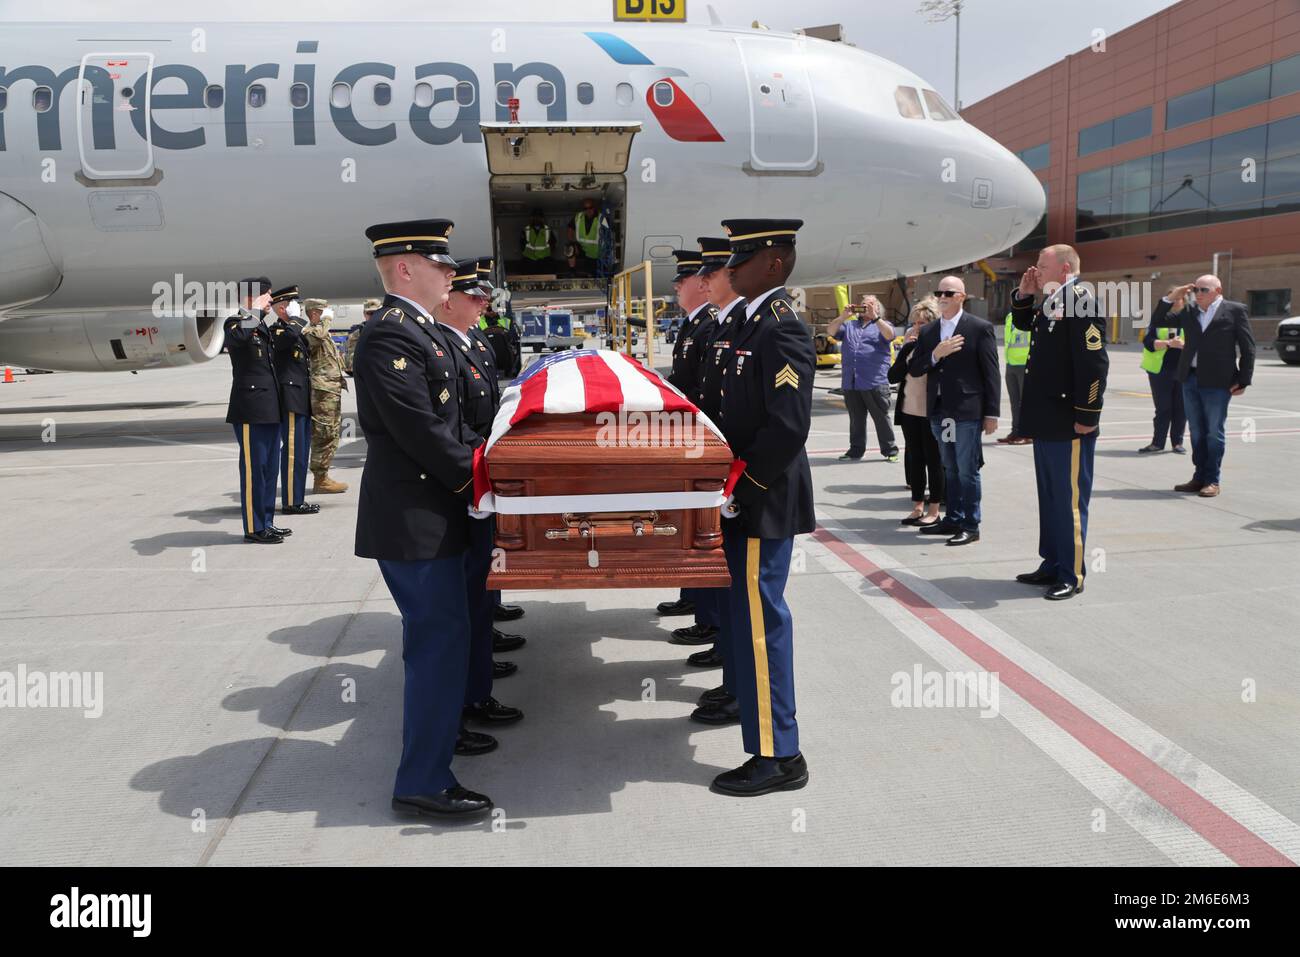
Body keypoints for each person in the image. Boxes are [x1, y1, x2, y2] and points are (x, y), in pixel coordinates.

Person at [352, 217, 492, 820]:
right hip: (415, 518)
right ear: (405, 268)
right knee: (436, 644)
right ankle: (423, 780)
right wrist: (480, 477)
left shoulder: (423, 332)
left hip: (439, 511)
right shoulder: (389, 335)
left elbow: (453, 423)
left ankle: (442, 740)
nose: (451, 274)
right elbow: (419, 431)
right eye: (441, 265)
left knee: (447, 637)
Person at [709, 217, 814, 797]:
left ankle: (780, 755)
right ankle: (768, 743)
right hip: (743, 501)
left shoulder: (781, 330)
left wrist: (739, 492)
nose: (729, 269)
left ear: (772, 264)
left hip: (762, 504)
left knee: (761, 627)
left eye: (740, 259)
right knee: (749, 623)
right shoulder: (751, 325)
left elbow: (786, 429)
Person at [431, 259, 525, 748]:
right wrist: (484, 467)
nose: (484, 303)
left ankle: (478, 682)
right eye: (474, 296)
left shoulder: (475, 342)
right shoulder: (442, 344)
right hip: (468, 485)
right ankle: (470, 697)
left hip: (481, 480)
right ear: (449, 300)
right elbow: (449, 427)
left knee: (480, 590)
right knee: (467, 599)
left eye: (485, 296)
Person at [1010, 244, 1107, 601]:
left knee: (1068, 500)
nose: (1036, 270)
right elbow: (1023, 325)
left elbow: (1094, 363)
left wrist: (1087, 416)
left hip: (1069, 420)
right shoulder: (1054, 298)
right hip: (1047, 418)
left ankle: (1072, 572)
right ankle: (1052, 562)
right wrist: (1024, 294)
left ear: (1065, 267)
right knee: (1050, 496)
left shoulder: (1081, 298)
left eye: (1041, 265)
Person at [685, 234, 749, 718]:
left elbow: (782, 428)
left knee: (747, 604)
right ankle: (732, 675)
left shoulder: (760, 328)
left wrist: (739, 485)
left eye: (710, 273)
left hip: (740, 485)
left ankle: (740, 688)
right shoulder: (723, 327)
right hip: (714, 470)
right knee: (728, 590)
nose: (704, 282)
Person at [906, 276, 1000, 546]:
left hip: (967, 411)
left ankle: (971, 524)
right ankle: (953, 518)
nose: (943, 296)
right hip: (939, 412)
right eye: (939, 292)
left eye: (949, 292)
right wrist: (937, 353)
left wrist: (991, 413)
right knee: (950, 468)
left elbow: (990, 372)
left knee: (967, 470)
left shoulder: (979, 328)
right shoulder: (929, 331)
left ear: (962, 296)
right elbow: (915, 369)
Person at [664, 248, 721, 648]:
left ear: (701, 285)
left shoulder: (708, 327)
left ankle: (710, 619)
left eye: (681, 280)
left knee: (704, 532)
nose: (676, 286)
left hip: (701, 440)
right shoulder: (692, 326)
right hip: (689, 439)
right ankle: (696, 600)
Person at [1162, 276, 1255, 498]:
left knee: (1214, 432)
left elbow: (1248, 347)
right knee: (1196, 432)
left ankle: (1212, 480)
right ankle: (1199, 477)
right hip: (1190, 379)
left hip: (1218, 382)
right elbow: (1160, 319)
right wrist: (1174, 296)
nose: (1198, 293)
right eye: (1195, 290)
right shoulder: (1189, 311)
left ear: (1218, 290)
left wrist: (1243, 380)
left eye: (1203, 289)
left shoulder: (1234, 310)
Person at [224, 277, 290, 543]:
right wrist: (253, 311)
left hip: (270, 407)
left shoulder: (261, 325)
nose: (271, 300)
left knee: (269, 469)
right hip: (250, 408)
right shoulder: (235, 322)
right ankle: (253, 527)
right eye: (266, 295)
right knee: (254, 469)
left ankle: (267, 521)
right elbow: (237, 339)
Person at [888, 298, 945, 527]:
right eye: (916, 322)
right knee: (915, 459)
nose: (918, 326)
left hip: (932, 412)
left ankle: (934, 509)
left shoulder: (940, 347)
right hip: (910, 410)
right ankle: (917, 506)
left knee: (935, 460)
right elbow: (893, 377)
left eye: (923, 323)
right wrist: (906, 350)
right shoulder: (910, 346)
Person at [828, 294, 900, 462]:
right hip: (851, 381)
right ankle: (856, 450)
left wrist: (875, 318)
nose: (864, 307)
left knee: (881, 417)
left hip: (874, 381)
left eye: (869, 304)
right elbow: (831, 331)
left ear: (877, 308)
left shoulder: (883, 325)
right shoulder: (849, 325)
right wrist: (843, 316)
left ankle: (890, 450)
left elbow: (890, 336)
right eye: (862, 304)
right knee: (856, 419)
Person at [267, 286, 314, 519]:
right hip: (290, 397)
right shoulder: (277, 331)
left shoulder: (293, 330)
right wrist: (295, 320)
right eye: (294, 305)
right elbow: (285, 343)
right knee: (294, 451)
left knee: (302, 450)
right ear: (283, 308)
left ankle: (298, 498)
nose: (299, 309)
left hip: (301, 396)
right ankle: (291, 502)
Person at [300, 298, 350, 496]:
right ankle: (320, 479)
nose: (328, 314)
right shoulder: (310, 332)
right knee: (324, 433)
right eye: (323, 311)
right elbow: (317, 337)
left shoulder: (322, 333)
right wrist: (325, 320)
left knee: (332, 433)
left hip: (331, 390)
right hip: (322, 392)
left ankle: (324, 476)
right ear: (314, 314)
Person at [1137, 287, 1188, 455]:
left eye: (1178, 299)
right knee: (1163, 408)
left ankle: (1177, 443)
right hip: (1160, 370)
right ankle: (1157, 442)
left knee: (1181, 408)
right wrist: (1167, 343)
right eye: (1171, 298)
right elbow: (1148, 342)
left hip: (1183, 370)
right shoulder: (1158, 320)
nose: (1174, 301)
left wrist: (1183, 346)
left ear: (1184, 301)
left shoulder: (1190, 319)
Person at [998, 310, 1033, 445]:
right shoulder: (1010, 316)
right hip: (1011, 363)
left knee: (1026, 402)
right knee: (1015, 402)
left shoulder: (1030, 315)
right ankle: (1015, 432)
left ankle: (1027, 434)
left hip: (1025, 363)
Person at [344, 298, 382, 375]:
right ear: (364, 314)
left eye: (376, 312)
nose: (373, 316)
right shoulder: (357, 333)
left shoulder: (391, 329)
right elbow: (351, 361)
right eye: (370, 313)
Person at [568, 197, 601, 276]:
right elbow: (570, 230)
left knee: (592, 273)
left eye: (590, 208)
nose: (588, 210)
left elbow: (608, 234)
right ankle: (572, 271)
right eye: (585, 208)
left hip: (596, 252)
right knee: (569, 248)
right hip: (582, 248)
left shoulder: (601, 217)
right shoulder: (578, 217)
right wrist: (574, 244)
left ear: (594, 207)